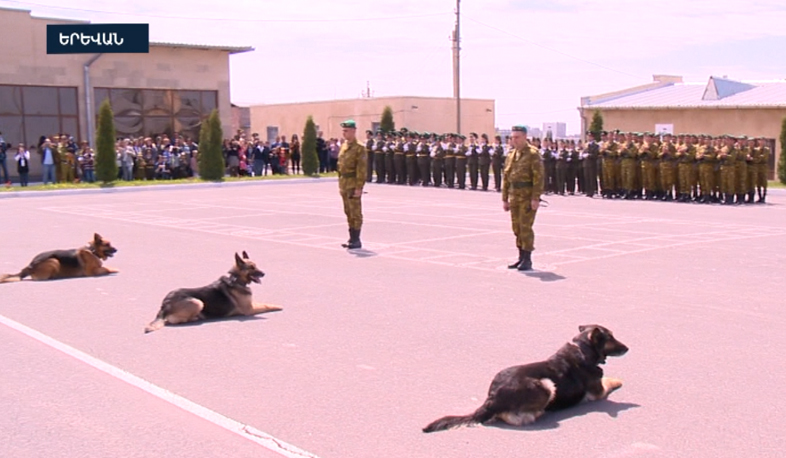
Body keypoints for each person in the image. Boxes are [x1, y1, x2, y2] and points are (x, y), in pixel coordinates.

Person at [502, 125, 544, 271]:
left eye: (517, 137)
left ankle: (527, 259)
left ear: (525, 137)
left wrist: (535, 198)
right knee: (516, 228)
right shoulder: (511, 155)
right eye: (513, 137)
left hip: (527, 196)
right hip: (514, 196)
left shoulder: (533, 154)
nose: (515, 140)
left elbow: (538, 178)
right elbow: (506, 178)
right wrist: (504, 199)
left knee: (525, 227)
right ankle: (520, 256)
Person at [337, 120, 367, 249]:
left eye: (346, 130)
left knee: (355, 212)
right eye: (343, 130)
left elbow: (362, 169)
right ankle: (351, 238)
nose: (344, 133)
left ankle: (357, 239)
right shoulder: (344, 146)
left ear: (354, 131)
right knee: (348, 211)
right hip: (344, 184)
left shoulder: (359, 148)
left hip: (353, 183)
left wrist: (359, 187)